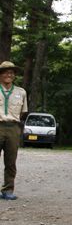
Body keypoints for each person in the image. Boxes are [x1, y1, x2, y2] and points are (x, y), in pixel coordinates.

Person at [0, 61, 27, 200]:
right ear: (0, 74)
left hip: (13, 128)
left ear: (14, 75)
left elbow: (21, 113)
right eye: (5, 72)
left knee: (10, 161)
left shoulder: (20, 92)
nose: (8, 75)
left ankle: (7, 190)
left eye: (11, 73)